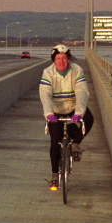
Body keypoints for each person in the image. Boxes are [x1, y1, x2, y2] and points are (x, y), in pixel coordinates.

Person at [39, 44, 94, 190]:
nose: (61, 61)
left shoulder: (77, 70)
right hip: (56, 110)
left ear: (69, 59)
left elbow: (82, 92)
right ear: (54, 60)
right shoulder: (48, 72)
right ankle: (54, 175)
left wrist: (79, 112)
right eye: (58, 59)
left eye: (64, 58)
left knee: (89, 119)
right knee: (54, 142)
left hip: (73, 107)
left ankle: (75, 144)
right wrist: (49, 113)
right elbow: (45, 94)